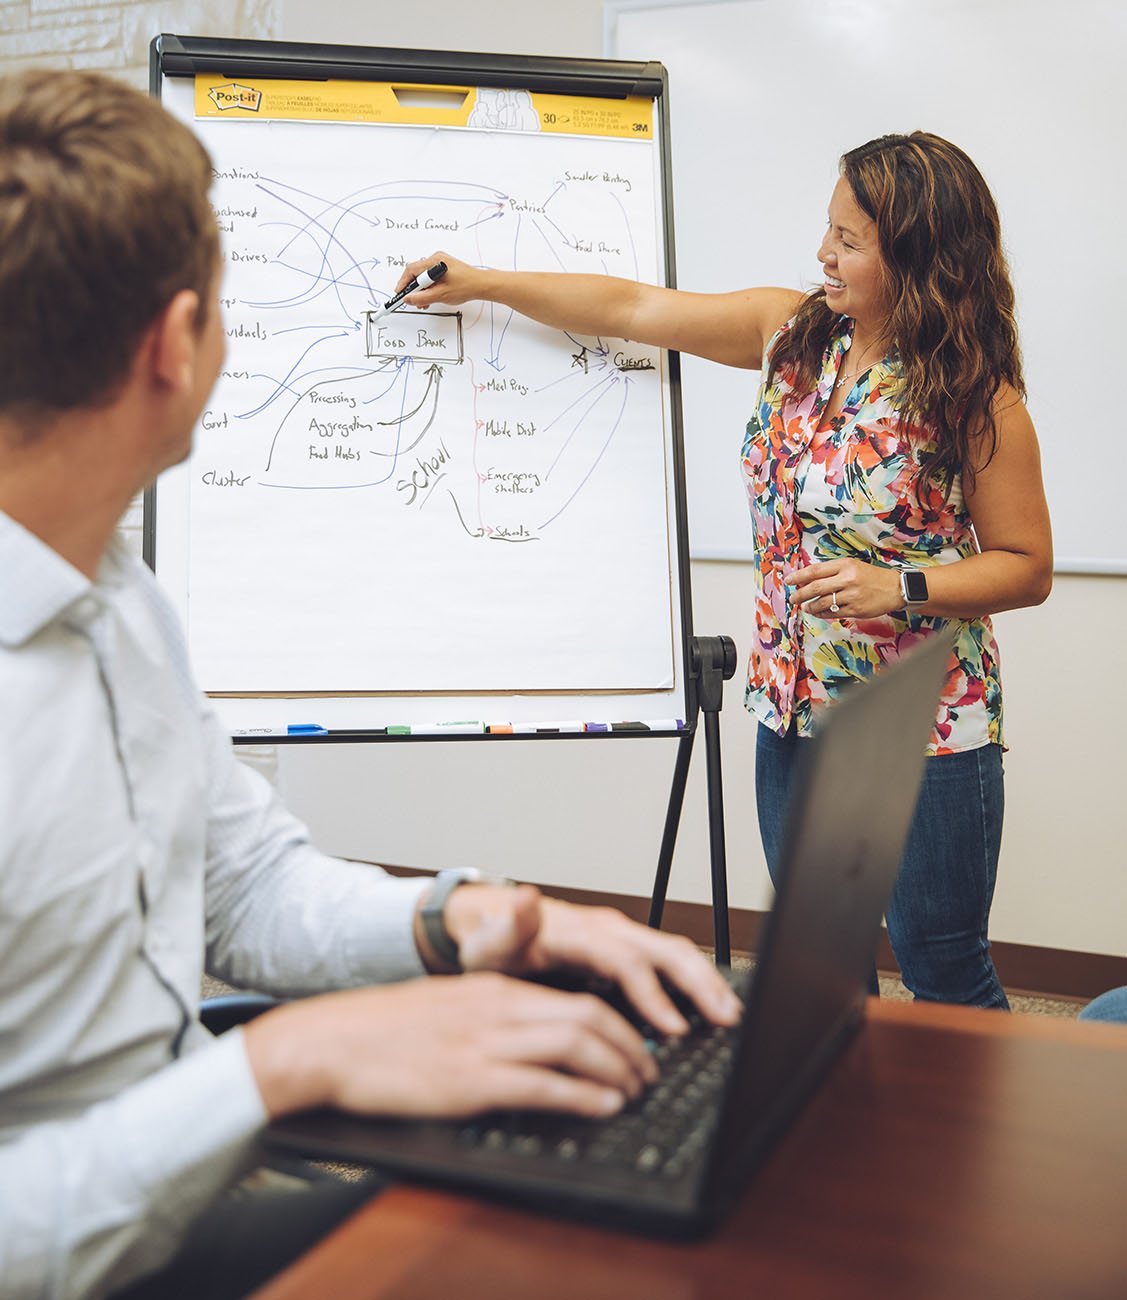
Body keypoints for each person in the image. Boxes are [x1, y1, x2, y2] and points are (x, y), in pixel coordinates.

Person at [0, 68, 743, 1300]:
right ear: (174, 346)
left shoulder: (119, 604)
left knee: (583, 1235)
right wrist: (277, 1068)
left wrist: (449, 921)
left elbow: (241, 883)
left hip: (169, 1201)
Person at [396, 130, 1053, 1012]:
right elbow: (629, 309)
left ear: (918, 255)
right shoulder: (788, 335)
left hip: (923, 726)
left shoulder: (976, 393)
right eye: (827, 229)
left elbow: (1026, 566)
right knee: (822, 969)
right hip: (790, 713)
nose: (823, 252)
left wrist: (900, 586)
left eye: (849, 241)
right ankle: (847, 1145)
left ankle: (977, 1153)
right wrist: (482, 283)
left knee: (941, 967)